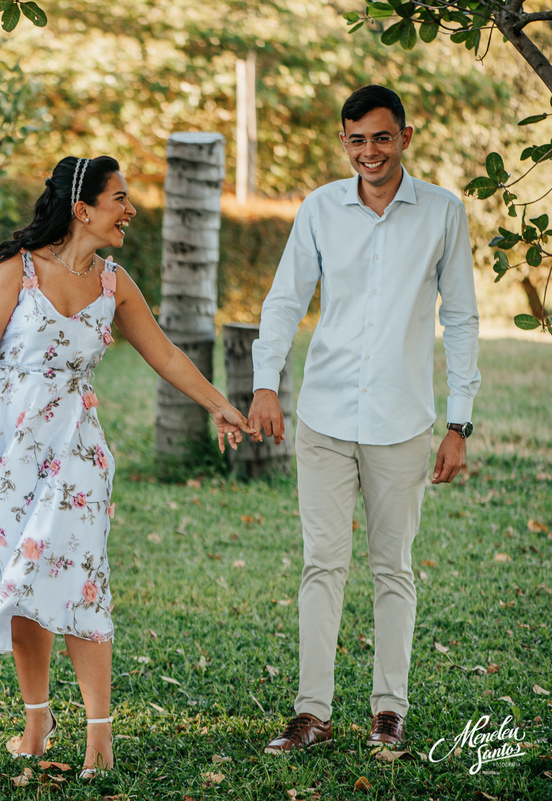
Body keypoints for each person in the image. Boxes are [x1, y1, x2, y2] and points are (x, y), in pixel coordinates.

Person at [0, 156, 256, 778]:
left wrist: (220, 405)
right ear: (82, 208)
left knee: (80, 581)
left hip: (75, 451)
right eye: (119, 198)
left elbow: (163, 352)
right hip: (4, 447)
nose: (129, 210)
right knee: (25, 580)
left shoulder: (115, 283)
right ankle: (36, 722)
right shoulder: (17, 273)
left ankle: (99, 736)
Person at [248, 85, 481, 754]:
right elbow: (284, 302)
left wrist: (458, 424)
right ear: (344, 142)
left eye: (381, 137)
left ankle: (388, 711)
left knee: (393, 568)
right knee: (322, 564)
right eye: (356, 140)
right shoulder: (320, 209)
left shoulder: (442, 212)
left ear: (405, 136)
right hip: (323, 415)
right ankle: (312, 712)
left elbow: (461, 318)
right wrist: (267, 384)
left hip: (403, 421)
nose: (369, 151)